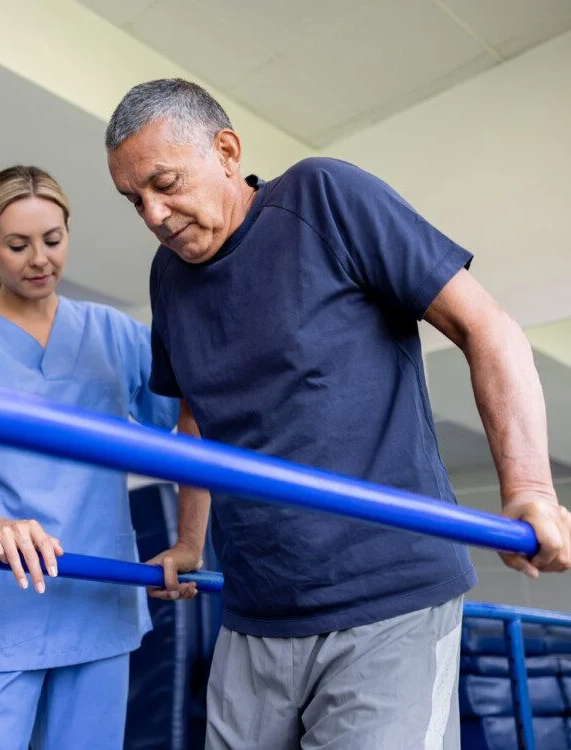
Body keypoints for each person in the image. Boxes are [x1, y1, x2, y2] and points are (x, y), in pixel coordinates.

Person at [104, 78, 571, 749]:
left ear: (226, 151)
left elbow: (486, 327)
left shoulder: (321, 197)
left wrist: (526, 489)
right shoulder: (167, 278)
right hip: (254, 612)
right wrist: (185, 542)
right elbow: (194, 423)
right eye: (133, 200)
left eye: (165, 183)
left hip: (388, 601)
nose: (152, 212)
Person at [0, 165, 189, 749]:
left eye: (53, 239)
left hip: (97, 600)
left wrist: (190, 541)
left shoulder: (112, 333)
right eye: (17, 245)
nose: (39, 259)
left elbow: (188, 424)